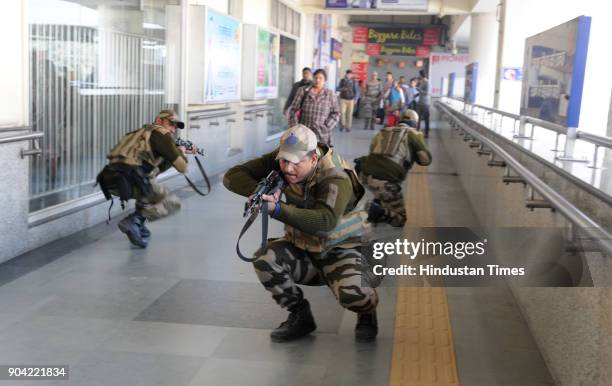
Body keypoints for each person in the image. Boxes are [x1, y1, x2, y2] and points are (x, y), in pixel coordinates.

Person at [223, 124, 379, 342]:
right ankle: (300, 315)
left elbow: (325, 221)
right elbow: (232, 176)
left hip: (343, 250)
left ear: (313, 159)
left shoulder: (336, 176)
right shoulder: (284, 160)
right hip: (304, 247)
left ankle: (366, 312)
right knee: (264, 258)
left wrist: (276, 209)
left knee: (354, 295)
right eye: (284, 161)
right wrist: (263, 191)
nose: (287, 168)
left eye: (296, 163)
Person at [96, 109, 197, 248]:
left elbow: (151, 168)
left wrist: (169, 156)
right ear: (159, 120)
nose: (173, 129)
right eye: (171, 124)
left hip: (110, 180)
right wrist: (181, 152)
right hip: (131, 179)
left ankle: (138, 226)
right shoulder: (162, 134)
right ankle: (134, 221)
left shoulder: (138, 133)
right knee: (172, 203)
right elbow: (183, 167)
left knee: (147, 194)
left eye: (175, 127)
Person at [355, 109, 432, 227]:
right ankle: (370, 209)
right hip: (386, 182)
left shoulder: (383, 131)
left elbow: (372, 151)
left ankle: (378, 205)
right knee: (400, 219)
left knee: (382, 192)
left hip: (363, 174)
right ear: (416, 123)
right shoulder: (414, 134)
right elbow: (426, 160)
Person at [288, 69, 340, 146]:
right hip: (304, 133)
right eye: (316, 77)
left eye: (320, 78)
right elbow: (293, 111)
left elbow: (336, 113)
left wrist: (327, 126)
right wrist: (296, 129)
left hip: (322, 134)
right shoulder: (303, 91)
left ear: (325, 80)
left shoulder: (330, 94)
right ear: (312, 78)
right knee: (304, 156)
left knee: (320, 156)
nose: (318, 80)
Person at [417, 70, 431, 137]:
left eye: (420, 75)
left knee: (426, 119)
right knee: (418, 118)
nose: (419, 76)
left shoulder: (427, 82)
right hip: (420, 102)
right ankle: (417, 131)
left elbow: (427, 93)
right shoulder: (422, 82)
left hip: (425, 103)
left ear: (421, 75)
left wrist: (419, 90)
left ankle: (426, 133)